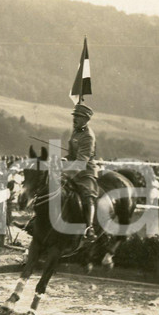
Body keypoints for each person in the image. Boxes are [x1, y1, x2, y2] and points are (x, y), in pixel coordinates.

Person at [65, 103, 99, 242]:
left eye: (78, 117)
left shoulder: (88, 136)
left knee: (87, 195)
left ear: (86, 119)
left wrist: (66, 172)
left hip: (86, 172)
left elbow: (81, 162)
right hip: (73, 167)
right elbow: (71, 155)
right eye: (74, 116)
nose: (74, 119)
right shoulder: (76, 131)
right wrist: (64, 159)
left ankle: (89, 228)